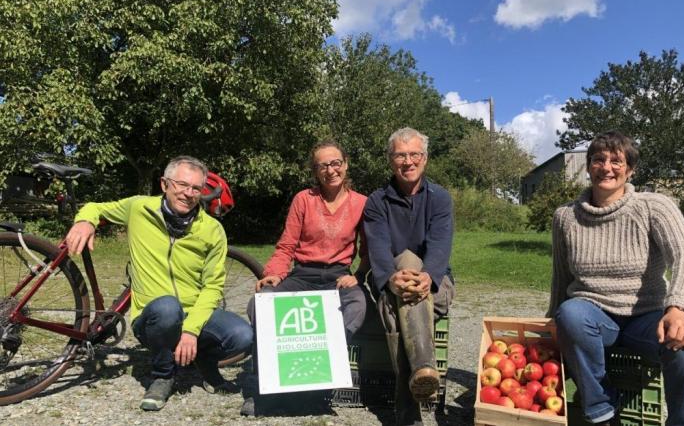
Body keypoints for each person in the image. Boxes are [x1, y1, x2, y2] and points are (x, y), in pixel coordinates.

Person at [65, 156, 254, 411]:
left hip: (192, 310)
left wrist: (190, 331)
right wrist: (84, 221)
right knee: (167, 308)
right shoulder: (139, 208)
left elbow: (212, 287)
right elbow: (96, 207)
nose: (188, 193)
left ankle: (204, 362)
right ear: (165, 184)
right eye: (182, 185)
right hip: (153, 315)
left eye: (196, 188)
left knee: (243, 336)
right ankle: (163, 375)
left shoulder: (212, 230)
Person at [547, 131, 684, 426]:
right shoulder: (565, 217)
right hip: (593, 317)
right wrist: (552, 322)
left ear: (630, 170)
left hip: (647, 317)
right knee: (570, 313)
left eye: (617, 161)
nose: (607, 167)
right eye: (598, 159)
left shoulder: (653, 206)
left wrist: (679, 308)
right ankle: (601, 411)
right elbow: (561, 275)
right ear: (589, 166)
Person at [241, 139, 368, 415]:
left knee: (357, 305)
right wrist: (273, 274)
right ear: (315, 171)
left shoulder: (361, 204)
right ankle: (265, 388)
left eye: (336, 163)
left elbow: (369, 252)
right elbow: (287, 245)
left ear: (345, 165)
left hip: (337, 277)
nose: (330, 170)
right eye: (323, 165)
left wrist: (357, 276)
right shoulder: (304, 199)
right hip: (303, 274)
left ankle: (319, 377)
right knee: (261, 304)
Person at [363, 127, 456, 426]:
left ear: (425, 159)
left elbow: (440, 247)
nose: (408, 161)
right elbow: (377, 248)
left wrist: (427, 276)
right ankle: (425, 371)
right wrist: (391, 279)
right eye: (401, 155)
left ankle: (407, 412)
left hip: (435, 283)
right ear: (391, 160)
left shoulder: (440, 198)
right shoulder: (377, 201)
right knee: (400, 272)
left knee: (399, 302)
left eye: (414, 154)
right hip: (392, 283)